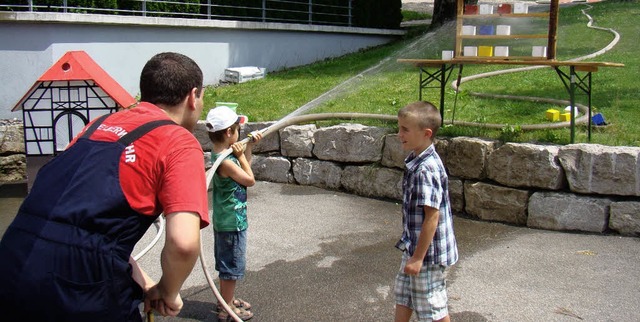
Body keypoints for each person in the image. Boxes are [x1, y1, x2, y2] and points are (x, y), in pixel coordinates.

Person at [0, 52, 210, 321]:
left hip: (12, 265)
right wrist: (168, 291)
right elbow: (183, 243)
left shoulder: (96, 125)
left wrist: (145, 284)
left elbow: (87, 229)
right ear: (193, 97)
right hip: (77, 291)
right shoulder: (177, 141)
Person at [394, 101, 458, 322]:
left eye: (405, 129)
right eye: (399, 127)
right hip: (414, 246)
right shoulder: (416, 158)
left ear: (426, 133)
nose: (399, 133)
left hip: (428, 254)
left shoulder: (425, 170)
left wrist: (418, 258)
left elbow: (432, 216)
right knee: (404, 294)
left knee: (431, 305)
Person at [205, 105, 263, 322]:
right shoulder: (226, 162)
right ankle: (226, 309)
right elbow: (250, 179)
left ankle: (226, 299)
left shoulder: (221, 154)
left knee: (227, 264)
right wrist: (240, 153)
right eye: (237, 129)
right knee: (231, 267)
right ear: (229, 133)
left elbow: (243, 163)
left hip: (226, 219)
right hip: (232, 222)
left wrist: (248, 147)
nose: (239, 133)